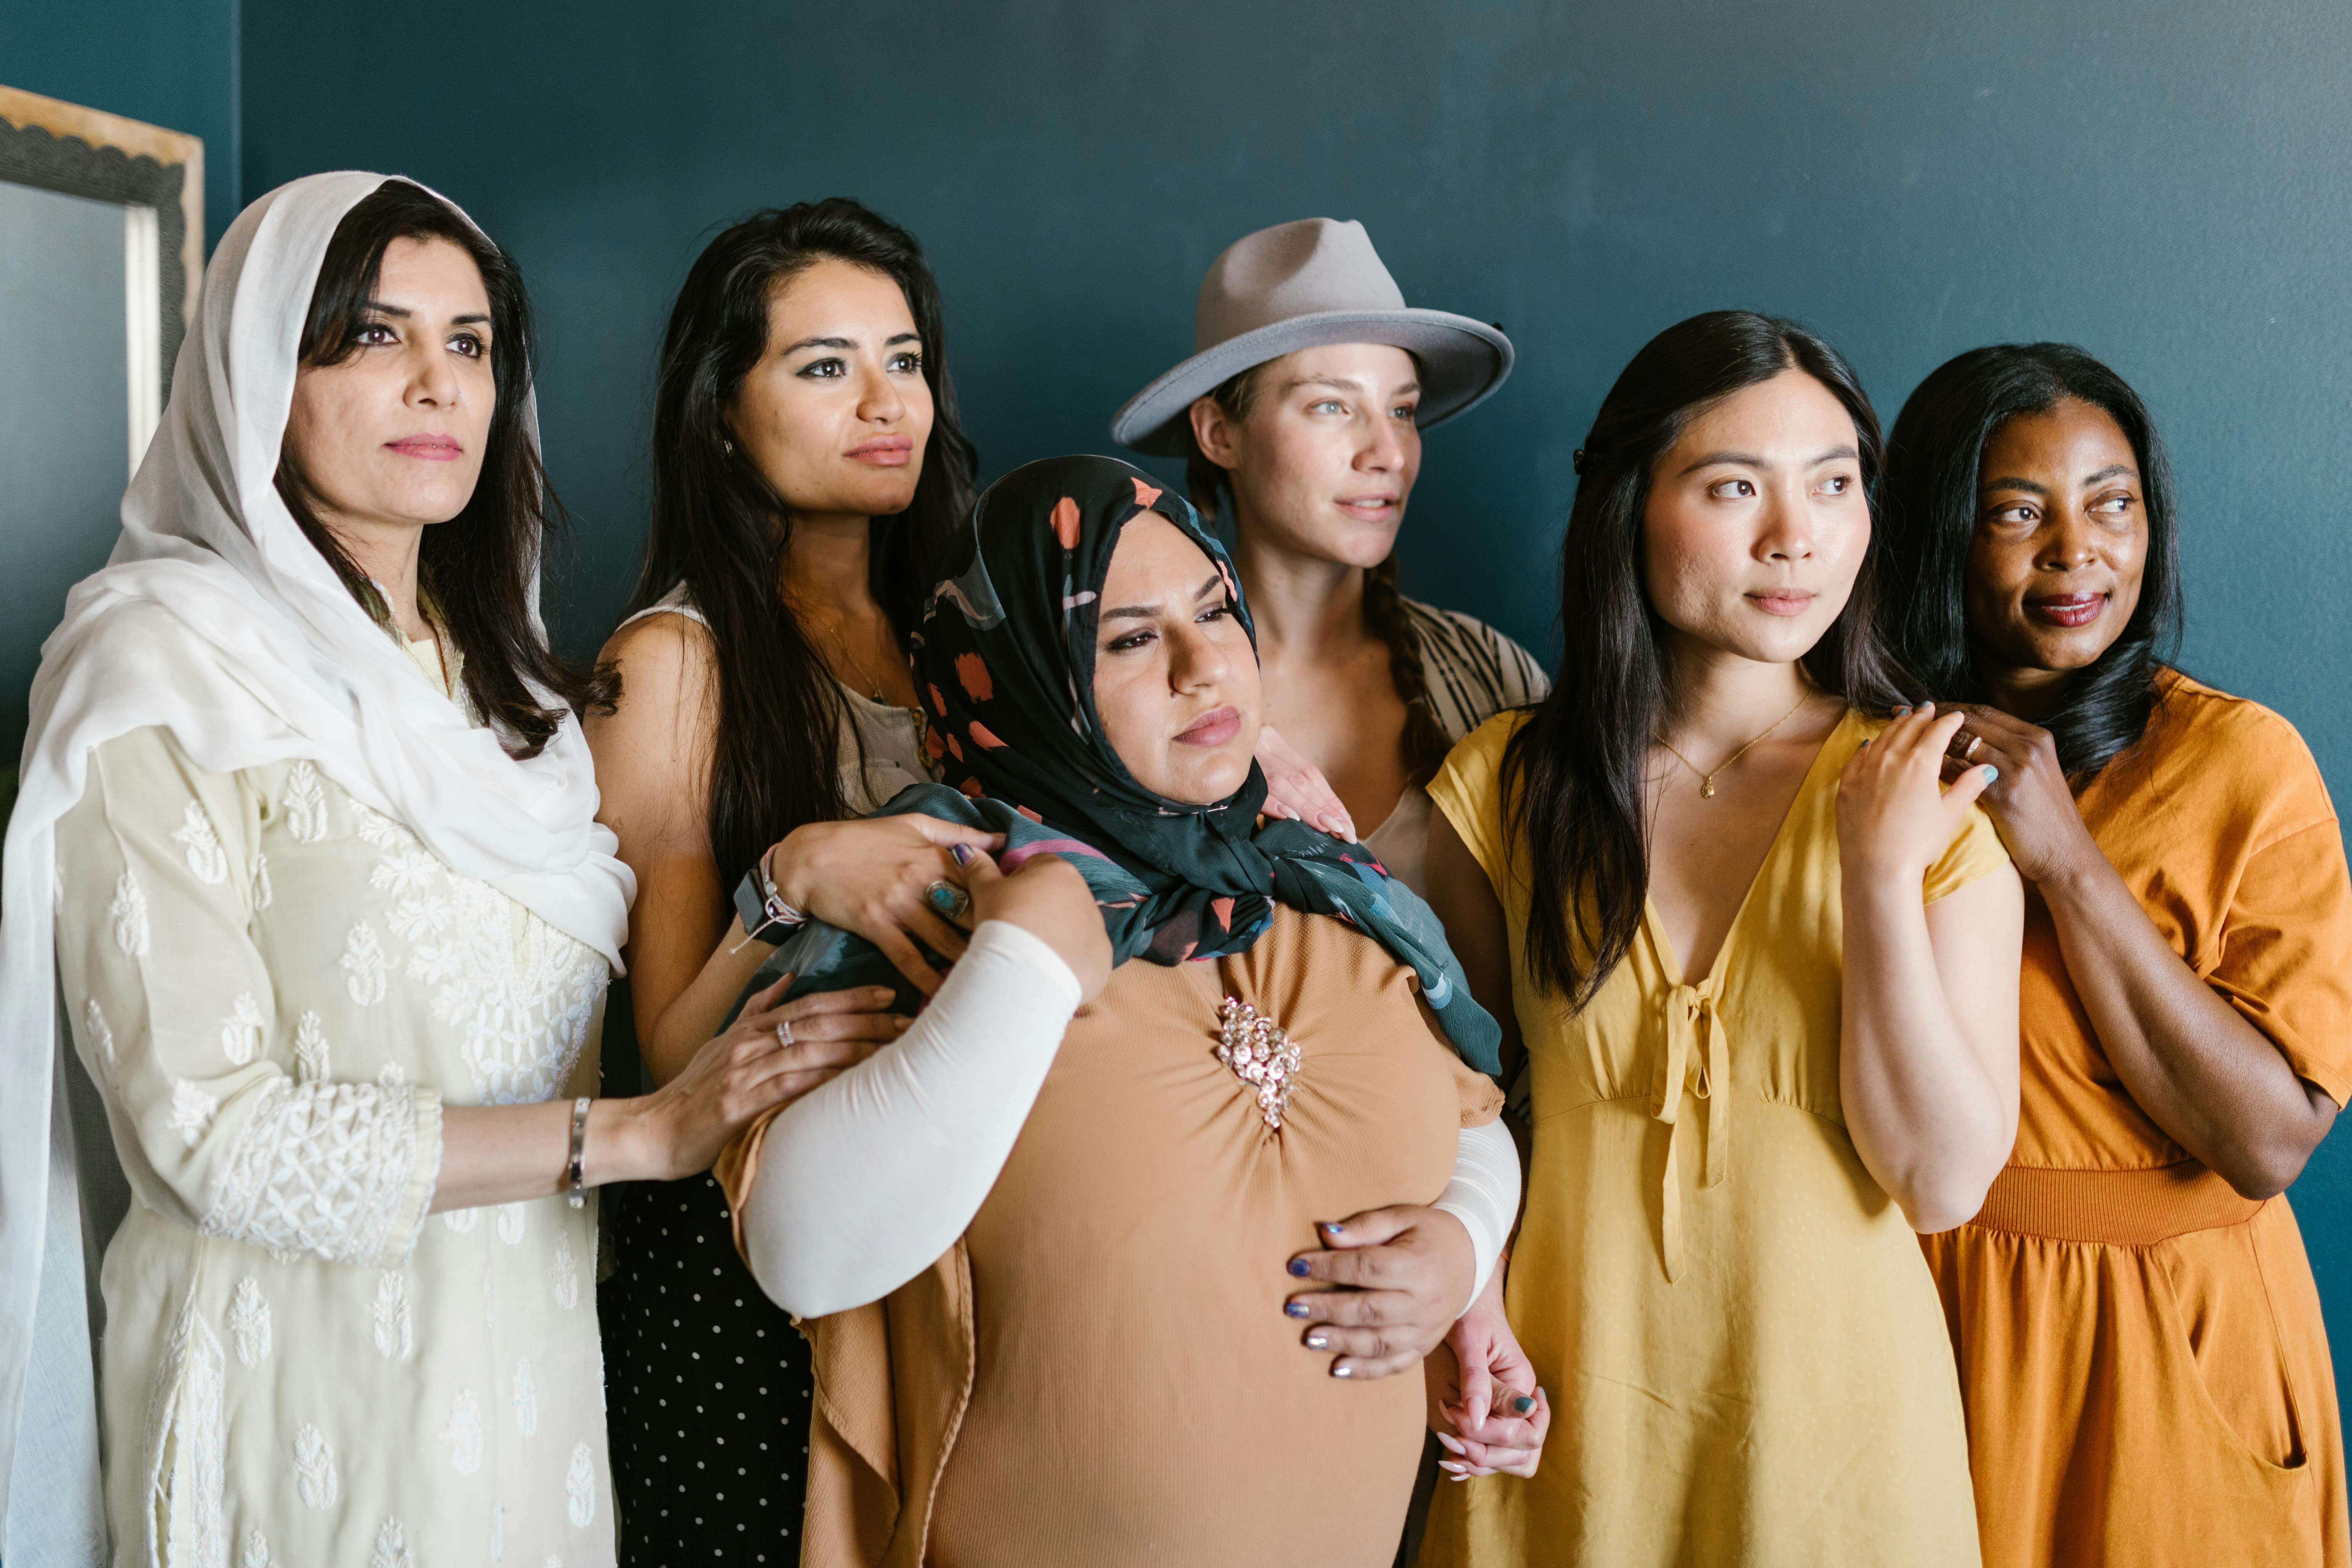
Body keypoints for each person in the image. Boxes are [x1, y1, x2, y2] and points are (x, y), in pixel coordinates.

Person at [0, 174, 854, 1568]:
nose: (435, 383)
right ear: (259, 370)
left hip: (527, 1400)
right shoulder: (155, 671)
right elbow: (209, 1133)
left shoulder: (508, 699)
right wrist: (631, 1138)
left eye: (467, 344)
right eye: (372, 336)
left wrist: (820, 875)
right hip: (290, 1413)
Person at [711, 455, 1535, 1566]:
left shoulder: (1330, 881)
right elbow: (802, 1254)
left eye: (1214, 612)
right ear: (1030, 679)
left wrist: (1463, 1246)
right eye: (1132, 638)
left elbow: (1474, 1122)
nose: (1206, 667)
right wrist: (1031, 954)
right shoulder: (925, 900)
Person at [1418, 311, 2025, 1566]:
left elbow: (1938, 1179)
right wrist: (1461, 1307)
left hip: (1834, 1447)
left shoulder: (1926, 790)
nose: (1793, 535)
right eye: (1731, 485)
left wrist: (1868, 866)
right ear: (1631, 506)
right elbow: (1435, 1101)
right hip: (1556, 1425)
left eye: (1832, 483)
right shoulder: (1505, 787)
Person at [584, 198, 1004, 1566]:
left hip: (943, 1233)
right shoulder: (673, 663)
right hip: (737, 1272)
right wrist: (786, 877)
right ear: (721, 408)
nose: (884, 402)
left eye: (903, 358)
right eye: (822, 366)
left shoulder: (970, 642)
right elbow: (662, 1051)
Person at [1887, 344, 2352, 1566]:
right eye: (2018, 512)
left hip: (2168, 1337)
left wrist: (2065, 861)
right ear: (1940, 531)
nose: (2076, 551)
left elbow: (2271, 1140)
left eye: (2113, 504)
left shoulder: (2244, 765)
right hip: (1918, 1318)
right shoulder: (1865, 768)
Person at [1112, 217, 1546, 891]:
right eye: (1332, 408)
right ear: (1220, 433)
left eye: (1401, 411)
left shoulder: (1492, 675)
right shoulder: (1131, 685)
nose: (1389, 454)